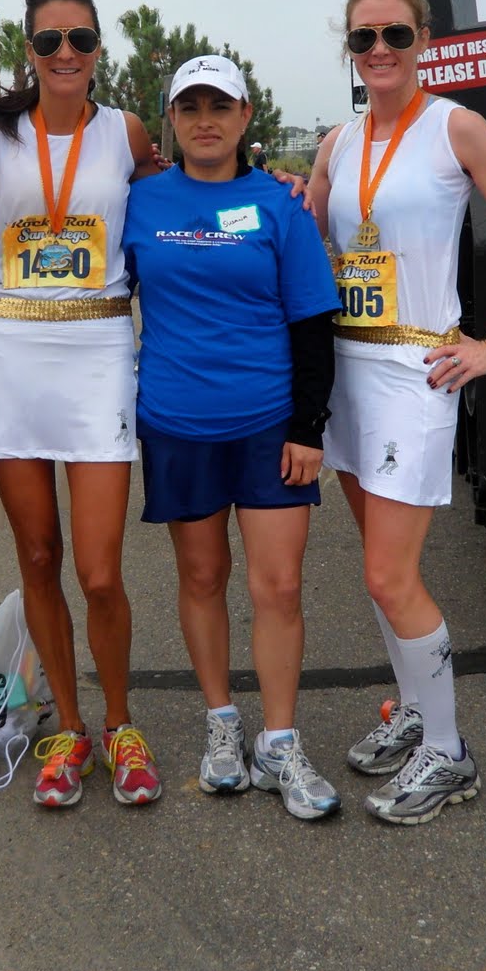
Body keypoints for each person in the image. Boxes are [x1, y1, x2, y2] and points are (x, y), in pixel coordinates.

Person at [307, 0, 486, 825]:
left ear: (423, 41)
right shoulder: (337, 144)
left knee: (390, 572)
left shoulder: (457, 127)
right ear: (350, 46)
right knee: (379, 575)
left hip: (416, 370)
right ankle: (416, 710)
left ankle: (449, 754)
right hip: (345, 368)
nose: (379, 48)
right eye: (364, 36)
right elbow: (307, 241)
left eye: (395, 34)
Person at [121, 55, 342, 821]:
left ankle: (279, 742)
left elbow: (313, 321)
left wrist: (308, 427)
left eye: (220, 106)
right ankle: (222, 726)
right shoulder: (140, 202)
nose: (205, 120)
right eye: (190, 107)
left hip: (269, 425)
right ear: (171, 119)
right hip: (177, 422)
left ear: (247, 116)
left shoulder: (280, 203)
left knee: (278, 587)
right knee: (202, 577)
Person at [0, 0, 163, 810]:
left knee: (99, 570)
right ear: (29, 48)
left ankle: (121, 723)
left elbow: (180, 195)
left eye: (79, 38)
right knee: (39, 557)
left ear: (97, 48)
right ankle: (71, 729)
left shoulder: (125, 131)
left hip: (96, 354)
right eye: (49, 40)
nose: (65, 53)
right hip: (9, 355)